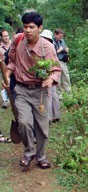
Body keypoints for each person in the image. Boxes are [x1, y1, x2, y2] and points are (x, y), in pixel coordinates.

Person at [2, 11, 61, 169]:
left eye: (32, 27)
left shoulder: (47, 47)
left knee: (42, 127)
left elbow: (56, 70)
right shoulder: (18, 40)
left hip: (40, 92)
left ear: (40, 28)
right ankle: (29, 152)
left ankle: (41, 156)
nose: (27, 30)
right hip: (21, 89)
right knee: (24, 123)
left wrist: (50, 79)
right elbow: (12, 61)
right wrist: (7, 75)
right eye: (25, 27)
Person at [40, 29, 61, 124]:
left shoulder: (45, 48)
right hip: (53, 72)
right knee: (53, 94)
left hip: (48, 73)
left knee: (48, 95)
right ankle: (56, 115)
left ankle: (48, 118)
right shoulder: (51, 46)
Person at [53, 28, 71, 96]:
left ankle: (69, 93)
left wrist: (66, 50)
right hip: (56, 61)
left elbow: (65, 47)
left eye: (62, 36)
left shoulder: (62, 41)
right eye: (60, 36)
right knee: (58, 79)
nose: (61, 37)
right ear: (55, 35)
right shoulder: (52, 41)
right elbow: (51, 53)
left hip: (63, 61)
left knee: (66, 77)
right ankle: (59, 95)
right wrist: (59, 50)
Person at [1, 29, 11, 108]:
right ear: (1, 37)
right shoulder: (0, 47)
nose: (6, 37)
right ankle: (5, 100)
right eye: (4, 36)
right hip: (4, 67)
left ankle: (14, 98)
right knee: (4, 83)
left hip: (13, 67)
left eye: (7, 35)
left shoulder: (13, 44)